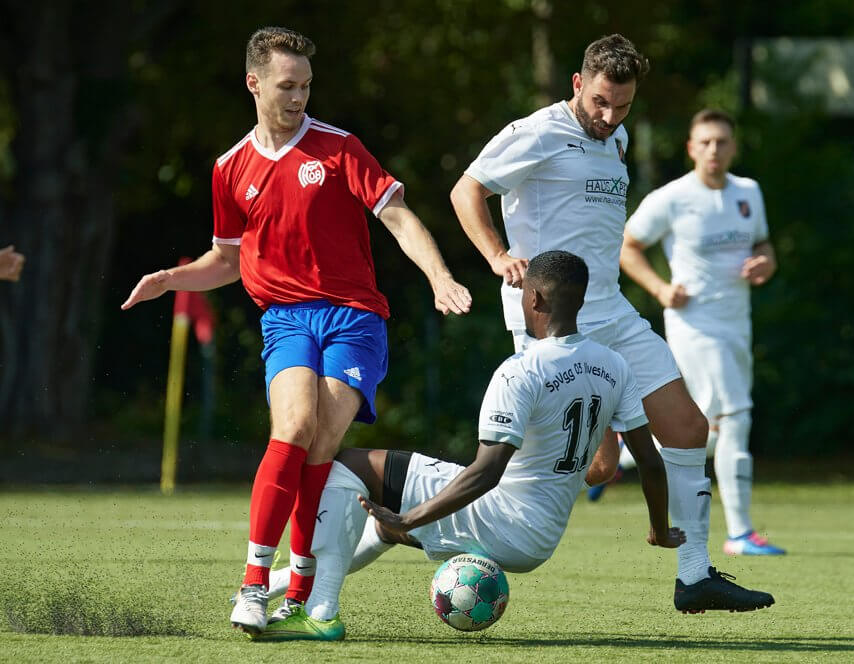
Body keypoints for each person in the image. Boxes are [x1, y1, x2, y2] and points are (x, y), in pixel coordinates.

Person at [121, 26, 471, 634]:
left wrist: (440, 276)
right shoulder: (230, 168)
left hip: (355, 318)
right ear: (254, 83)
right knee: (295, 427)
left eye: (306, 85)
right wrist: (171, 279)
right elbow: (226, 260)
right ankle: (256, 583)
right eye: (287, 85)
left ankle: (302, 583)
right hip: (285, 317)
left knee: (319, 443)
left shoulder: (339, 148)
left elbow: (399, 217)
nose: (299, 97)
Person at [450, 34, 774, 612]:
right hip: (554, 324)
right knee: (556, 467)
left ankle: (694, 577)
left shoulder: (616, 137)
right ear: (577, 83)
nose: (608, 115)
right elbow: (466, 189)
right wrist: (498, 256)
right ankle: (427, 518)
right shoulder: (537, 132)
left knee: (687, 428)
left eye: (621, 105)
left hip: (614, 313)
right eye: (600, 101)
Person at [252, 250, 687, 641]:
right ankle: (276, 586)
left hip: (500, 517)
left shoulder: (522, 370)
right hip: (541, 539)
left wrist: (412, 515)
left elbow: (486, 472)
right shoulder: (614, 365)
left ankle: (319, 611)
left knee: (347, 465)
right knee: (384, 526)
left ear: (534, 299)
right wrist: (659, 528)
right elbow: (648, 461)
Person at [619, 108, 783, 556]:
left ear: (733, 147)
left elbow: (763, 245)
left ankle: (624, 452)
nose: (714, 149)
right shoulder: (672, 198)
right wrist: (659, 287)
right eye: (705, 142)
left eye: (722, 142)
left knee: (708, 423)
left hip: (737, 323)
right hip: (694, 326)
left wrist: (766, 262)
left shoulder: (749, 193)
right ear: (691, 148)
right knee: (735, 418)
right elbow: (627, 246)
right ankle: (740, 533)